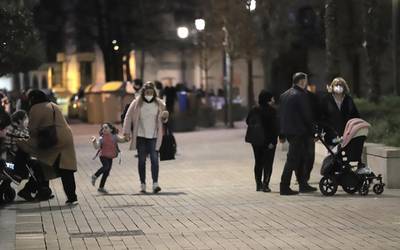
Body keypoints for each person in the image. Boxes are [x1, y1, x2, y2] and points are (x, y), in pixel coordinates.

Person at [18, 90, 78, 204]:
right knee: (66, 170)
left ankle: (35, 190)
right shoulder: (53, 105)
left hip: (51, 140)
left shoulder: (35, 108)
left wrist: (23, 138)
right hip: (66, 138)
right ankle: (72, 197)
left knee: (42, 166)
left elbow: (32, 129)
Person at [123, 82, 169, 193]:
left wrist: (165, 116)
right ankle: (142, 184)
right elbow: (128, 117)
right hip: (140, 136)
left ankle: (155, 184)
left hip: (153, 136)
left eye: (151, 92)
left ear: (154, 93)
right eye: (147, 92)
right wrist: (126, 132)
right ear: (143, 92)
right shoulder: (137, 103)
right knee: (142, 160)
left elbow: (165, 118)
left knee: (154, 159)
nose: (149, 94)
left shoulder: (159, 103)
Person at [279, 72, 317, 195]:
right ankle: (284, 186)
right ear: (301, 81)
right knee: (293, 159)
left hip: (289, 131)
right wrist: (313, 131)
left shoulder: (284, 95)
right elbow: (307, 115)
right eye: (305, 81)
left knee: (299, 158)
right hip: (299, 132)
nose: (306, 83)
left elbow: (280, 116)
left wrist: (282, 133)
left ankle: (303, 184)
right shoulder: (301, 95)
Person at [245, 90, 278, 192]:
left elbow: (247, 121)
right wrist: (274, 141)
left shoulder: (254, 109)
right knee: (268, 163)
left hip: (256, 140)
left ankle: (258, 184)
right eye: (271, 97)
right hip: (268, 142)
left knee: (258, 162)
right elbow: (275, 127)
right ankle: (265, 184)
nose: (273, 99)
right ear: (268, 99)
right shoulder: (272, 111)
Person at [320, 77, 360, 147]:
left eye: (341, 85)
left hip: (346, 135)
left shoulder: (348, 100)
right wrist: (320, 131)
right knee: (333, 154)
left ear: (344, 87)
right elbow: (322, 117)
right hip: (332, 136)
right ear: (332, 86)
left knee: (346, 155)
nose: (338, 86)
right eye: (336, 84)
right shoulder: (327, 99)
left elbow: (355, 116)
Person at [91, 123, 126, 193]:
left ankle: (101, 187)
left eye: (106, 127)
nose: (104, 129)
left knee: (106, 172)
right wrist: (94, 141)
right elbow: (96, 147)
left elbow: (122, 140)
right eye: (103, 128)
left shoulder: (114, 137)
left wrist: (127, 138)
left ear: (111, 129)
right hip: (103, 156)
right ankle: (95, 175)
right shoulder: (102, 138)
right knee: (106, 166)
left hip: (110, 156)